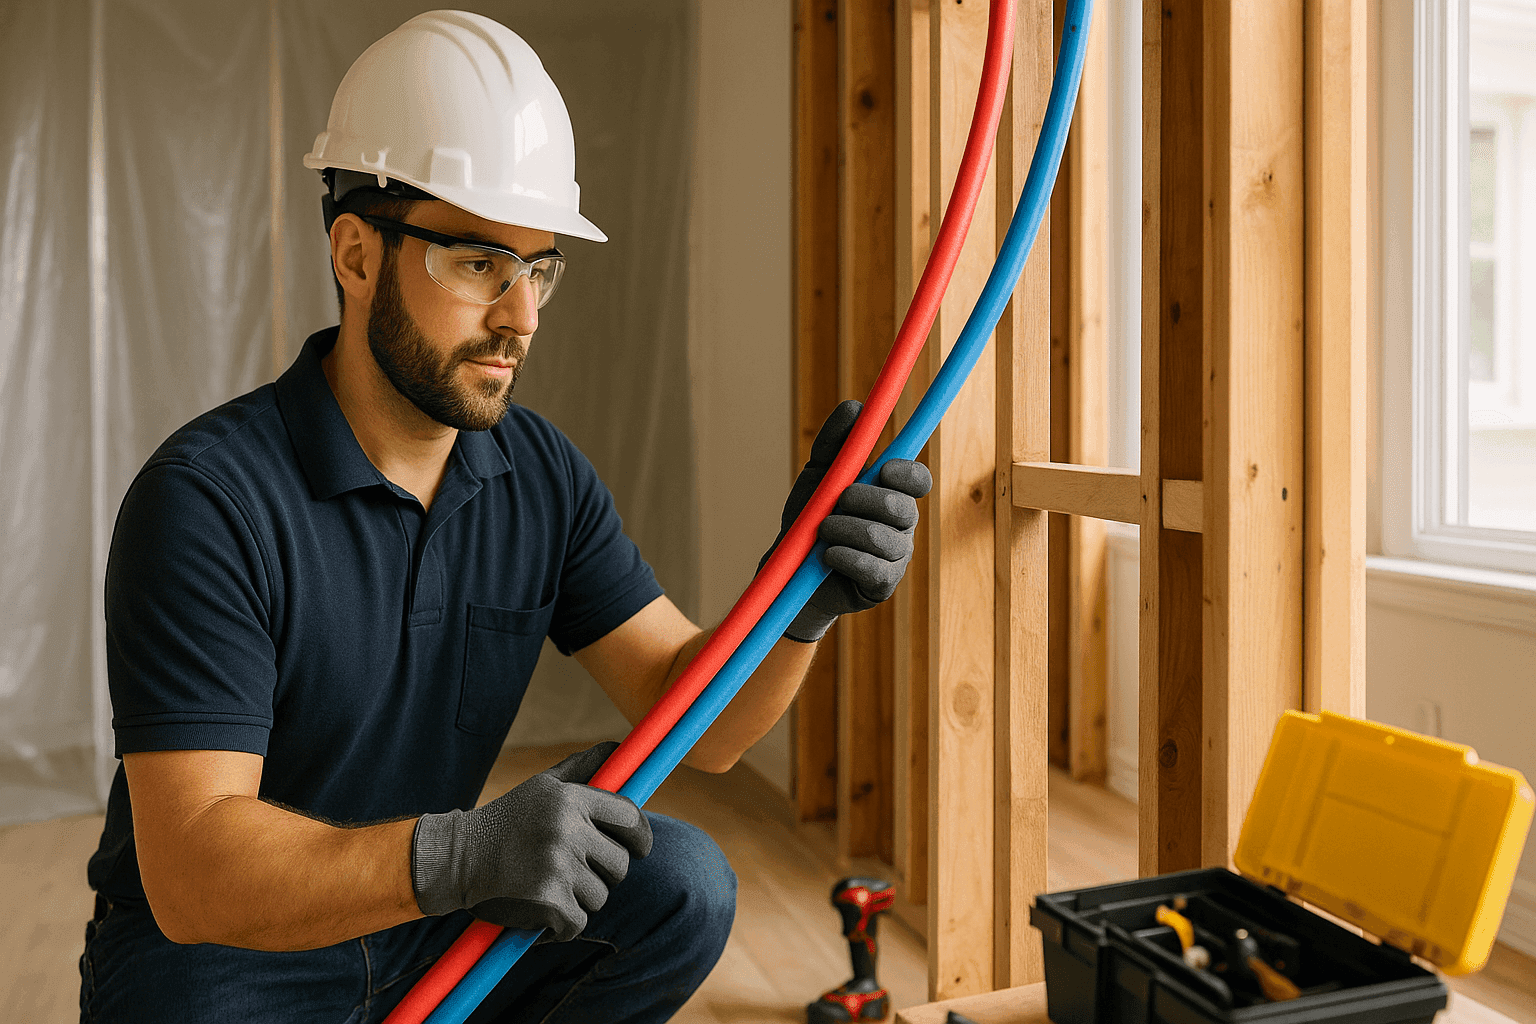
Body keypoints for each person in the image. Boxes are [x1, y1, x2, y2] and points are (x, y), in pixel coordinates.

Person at [78, 10, 931, 1024]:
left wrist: (797, 596)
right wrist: (463, 854)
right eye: (478, 261)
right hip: (223, 953)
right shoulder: (210, 499)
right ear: (356, 255)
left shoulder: (540, 475)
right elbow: (192, 871)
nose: (520, 316)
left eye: (539, 268)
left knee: (680, 886)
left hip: (422, 921)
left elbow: (696, 724)